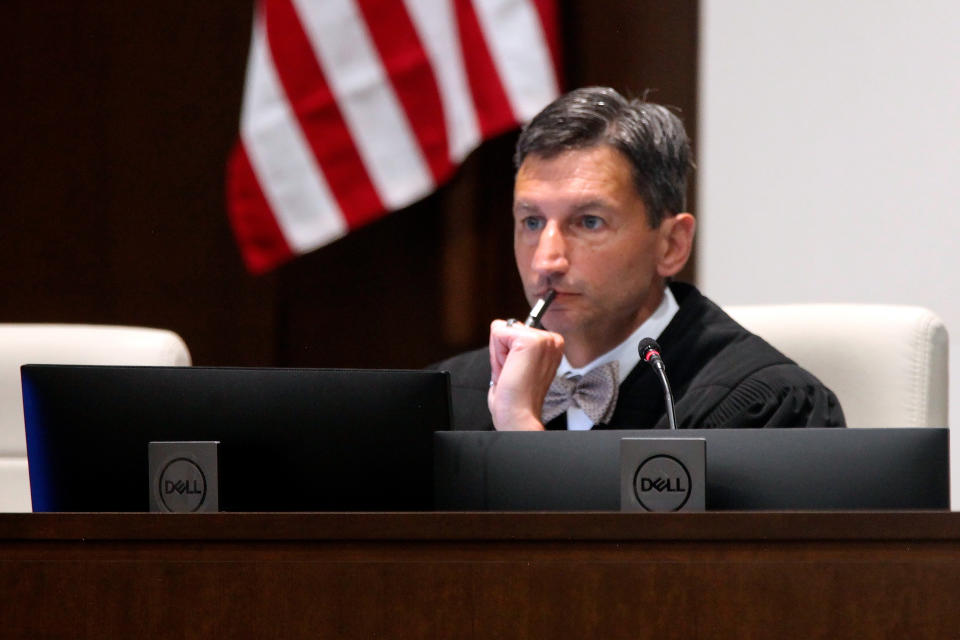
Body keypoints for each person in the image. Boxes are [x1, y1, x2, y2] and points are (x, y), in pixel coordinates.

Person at [434, 87, 845, 430]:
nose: (547, 260)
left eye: (589, 222)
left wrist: (520, 430)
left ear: (671, 245)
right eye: (532, 222)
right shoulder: (444, 399)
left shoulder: (766, 407)